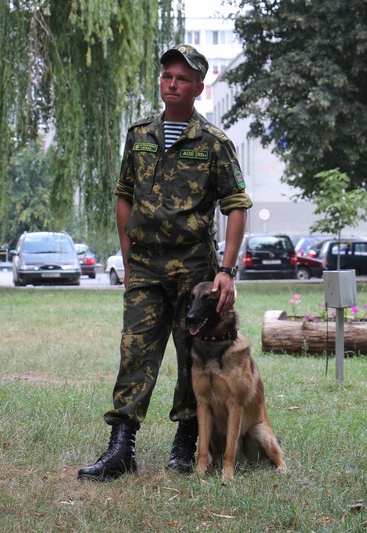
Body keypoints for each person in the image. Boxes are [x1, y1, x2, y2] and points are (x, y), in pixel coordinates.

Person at [78, 44, 252, 481]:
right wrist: (127, 252)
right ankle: (121, 447)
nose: (171, 84)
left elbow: (236, 206)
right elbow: (124, 194)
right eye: (166, 77)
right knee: (134, 350)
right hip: (147, 269)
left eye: (181, 79)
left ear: (198, 86)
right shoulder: (139, 135)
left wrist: (226, 271)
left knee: (190, 354)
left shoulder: (215, 143)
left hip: (195, 271)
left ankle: (185, 442)